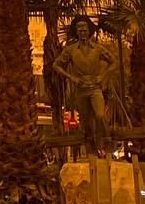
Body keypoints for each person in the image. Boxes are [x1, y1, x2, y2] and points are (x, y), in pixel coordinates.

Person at [50, 16, 116, 158]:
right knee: (86, 122)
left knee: (99, 115)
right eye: (79, 29)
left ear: (89, 30)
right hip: (81, 89)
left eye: (84, 28)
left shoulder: (98, 49)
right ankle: (90, 145)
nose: (82, 31)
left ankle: (101, 144)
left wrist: (102, 76)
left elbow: (114, 62)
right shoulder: (71, 50)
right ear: (76, 31)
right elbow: (56, 65)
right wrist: (71, 77)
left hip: (95, 88)